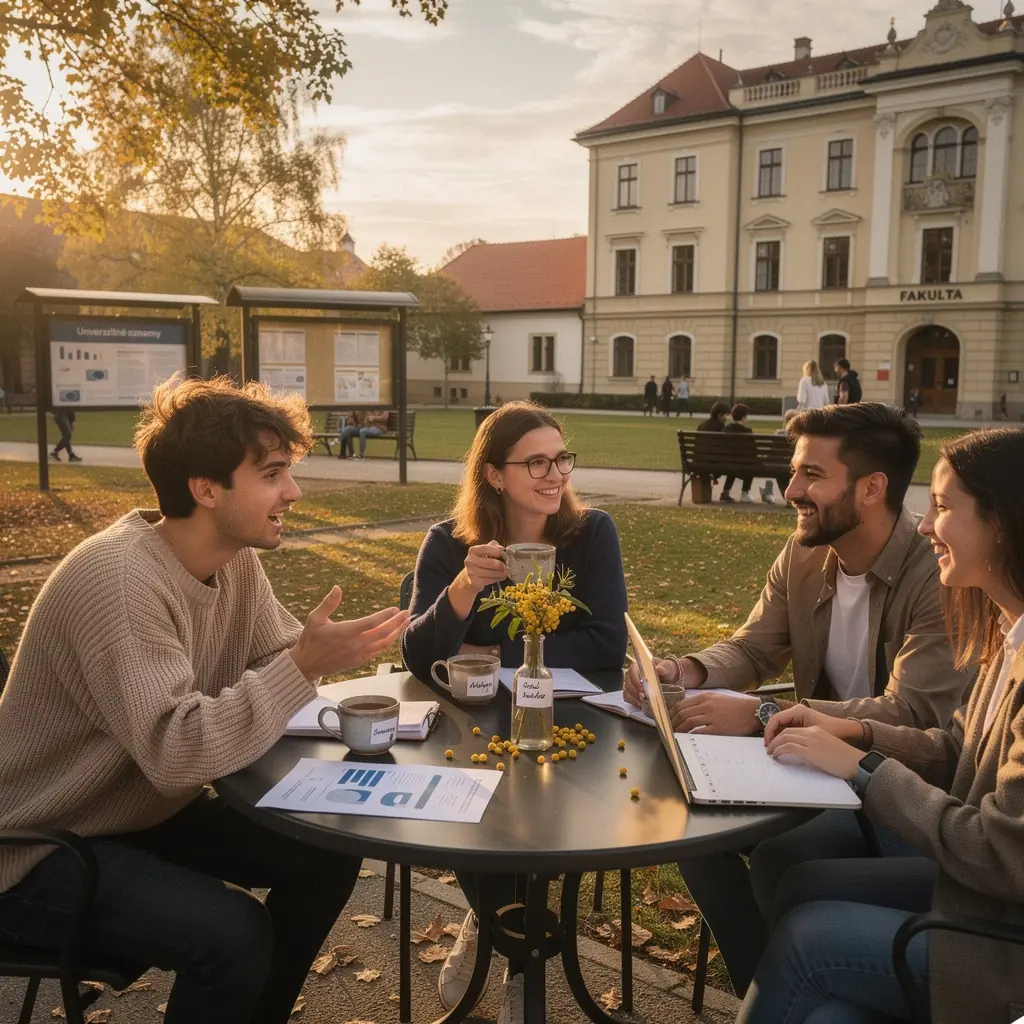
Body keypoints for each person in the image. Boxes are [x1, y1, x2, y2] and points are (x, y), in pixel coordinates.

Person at [0, 376, 410, 1024]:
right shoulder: (119, 581)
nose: (293, 492)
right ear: (206, 488)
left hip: (139, 816)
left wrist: (315, 661)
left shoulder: (232, 561)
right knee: (231, 935)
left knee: (326, 849)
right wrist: (303, 664)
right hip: (37, 848)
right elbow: (178, 752)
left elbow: (272, 661)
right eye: (272, 474)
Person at [623, 403, 973, 997]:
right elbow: (754, 647)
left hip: (890, 783)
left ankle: (791, 987)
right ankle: (763, 988)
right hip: (805, 765)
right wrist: (684, 669)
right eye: (794, 473)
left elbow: (912, 715)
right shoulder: (806, 552)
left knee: (780, 857)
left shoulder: (936, 577)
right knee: (689, 829)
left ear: (871, 488)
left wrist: (765, 714)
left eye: (812, 475)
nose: (791, 492)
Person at [739, 427, 1024, 1024]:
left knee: (807, 939)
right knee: (809, 930)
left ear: (1001, 521)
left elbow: (998, 853)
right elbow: (956, 748)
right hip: (974, 897)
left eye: (942, 507)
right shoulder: (1007, 634)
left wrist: (864, 769)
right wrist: (855, 733)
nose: (925, 526)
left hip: (999, 942)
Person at [402, 400, 628, 1024]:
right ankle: (509, 938)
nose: (554, 475)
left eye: (560, 459)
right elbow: (419, 656)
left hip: (573, 721)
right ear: (494, 475)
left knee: (547, 806)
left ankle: (497, 927)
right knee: (462, 795)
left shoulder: (590, 533)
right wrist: (463, 589)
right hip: (471, 724)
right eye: (536, 463)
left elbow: (607, 643)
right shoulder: (451, 543)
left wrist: (497, 650)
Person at [718, 403, 756, 504]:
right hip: (742, 464)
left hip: (725, 463)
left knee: (733, 463)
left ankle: (725, 491)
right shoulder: (747, 431)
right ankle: (744, 493)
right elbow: (752, 451)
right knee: (750, 464)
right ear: (743, 417)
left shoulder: (725, 429)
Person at [758, 409, 798, 505]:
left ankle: (787, 497)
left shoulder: (778, 433)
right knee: (784, 470)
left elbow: (772, 451)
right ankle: (789, 498)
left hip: (778, 463)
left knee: (780, 471)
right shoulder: (799, 436)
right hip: (794, 465)